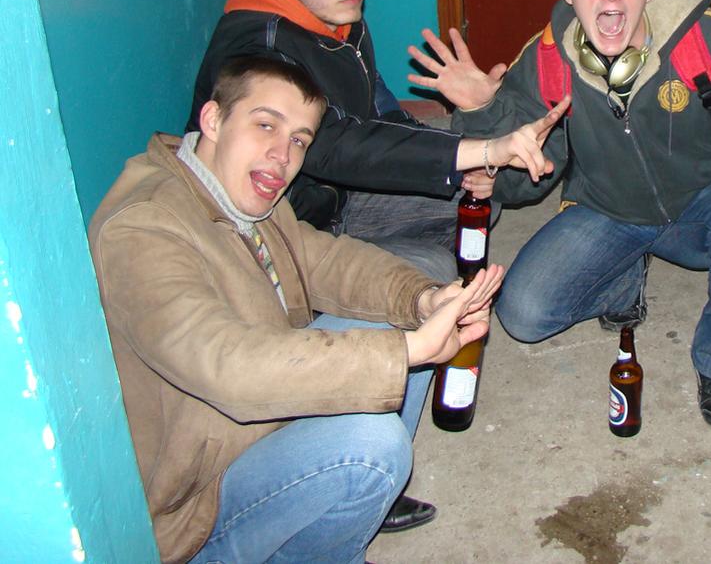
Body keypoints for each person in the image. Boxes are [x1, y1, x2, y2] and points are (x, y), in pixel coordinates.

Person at [88, 56, 558, 563]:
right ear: (213, 119)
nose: (282, 155)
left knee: (404, 317)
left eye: (299, 139)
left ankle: (337, 513)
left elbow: (326, 261)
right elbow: (229, 367)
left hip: (252, 434)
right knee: (371, 446)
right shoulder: (143, 228)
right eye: (265, 125)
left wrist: (423, 299)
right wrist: (407, 351)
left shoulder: (227, 187)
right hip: (197, 509)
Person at [410, 0, 711, 431]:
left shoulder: (709, 37)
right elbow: (525, 182)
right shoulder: (545, 60)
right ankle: (622, 281)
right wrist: (481, 114)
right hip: (608, 211)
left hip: (705, 210)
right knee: (522, 314)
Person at [189, 0, 528, 282]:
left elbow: (380, 109)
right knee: (431, 266)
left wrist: (462, 157)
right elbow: (333, 145)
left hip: (340, 194)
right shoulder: (261, 50)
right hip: (286, 225)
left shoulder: (339, 22)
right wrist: (472, 150)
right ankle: (342, 286)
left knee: (478, 196)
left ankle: (378, 272)